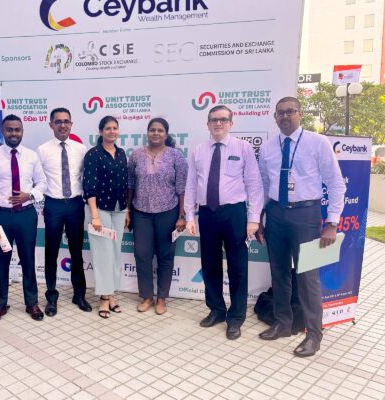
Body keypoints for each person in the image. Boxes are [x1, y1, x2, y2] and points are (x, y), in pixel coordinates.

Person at [257, 97, 346, 357]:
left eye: (291, 111)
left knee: (307, 277)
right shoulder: (268, 147)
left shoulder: (318, 142)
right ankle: (283, 323)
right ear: (275, 117)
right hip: (275, 213)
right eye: (280, 113)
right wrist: (259, 217)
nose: (285, 116)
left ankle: (314, 335)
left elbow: (336, 183)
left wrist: (332, 223)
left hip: (306, 214)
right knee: (279, 271)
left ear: (300, 114)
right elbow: (264, 185)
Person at [184, 105, 264, 340]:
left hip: (234, 213)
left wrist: (254, 219)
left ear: (231, 123)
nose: (218, 123)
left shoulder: (243, 148)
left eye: (222, 119)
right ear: (207, 124)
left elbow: (254, 184)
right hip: (207, 213)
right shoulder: (198, 151)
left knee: (238, 267)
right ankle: (216, 310)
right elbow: (191, 185)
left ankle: (236, 318)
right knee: (209, 264)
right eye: (213, 120)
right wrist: (189, 216)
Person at [0, 114, 47, 323]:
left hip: (26, 215)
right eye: (9, 130)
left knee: (28, 260)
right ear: (3, 131)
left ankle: (32, 303)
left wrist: (30, 195)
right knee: (0, 261)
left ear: (22, 131)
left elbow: (42, 183)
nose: (14, 133)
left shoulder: (31, 156)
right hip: (1, 217)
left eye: (17, 130)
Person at [127, 118, 187, 315]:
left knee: (165, 255)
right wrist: (127, 210)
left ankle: (161, 298)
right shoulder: (136, 155)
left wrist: (182, 215)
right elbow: (130, 185)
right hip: (141, 212)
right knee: (142, 254)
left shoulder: (176, 156)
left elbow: (182, 188)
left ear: (166, 134)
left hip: (168, 212)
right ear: (147, 132)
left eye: (160, 130)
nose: (155, 133)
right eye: (152, 130)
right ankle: (146, 296)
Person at [37, 107, 91, 316]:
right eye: (58, 121)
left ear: (71, 124)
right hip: (53, 205)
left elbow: (86, 177)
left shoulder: (81, 149)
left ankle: (79, 295)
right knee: (51, 253)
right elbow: (38, 180)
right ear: (51, 124)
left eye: (66, 121)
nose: (62, 125)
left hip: (75, 205)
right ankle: (51, 297)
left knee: (76, 252)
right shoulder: (42, 150)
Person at [83, 116, 129, 319]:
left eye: (115, 128)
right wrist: (95, 216)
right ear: (100, 131)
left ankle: (111, 294)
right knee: (103, 254)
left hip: (119, 209)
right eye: (108, 128)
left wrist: (126, 211)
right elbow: (89, 186)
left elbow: (125, 182)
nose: (112, 131)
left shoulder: (121, 153)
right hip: (99, 210)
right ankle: (104, 297)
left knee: (115, 253)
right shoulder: (93, 154)